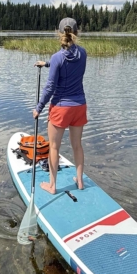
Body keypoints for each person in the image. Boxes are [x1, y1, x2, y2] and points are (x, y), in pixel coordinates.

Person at [32, 18, 87, 195]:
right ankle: (79, 181)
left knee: (54, 147)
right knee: (77, 145)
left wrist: (38, 108)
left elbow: (50, 86)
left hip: (61, 108)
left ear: (59, 32)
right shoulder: (83, 54)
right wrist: (47, 64)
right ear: (76, 33)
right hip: (79, 106)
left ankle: (52, 186)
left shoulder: (57, 57)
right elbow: (69, 64)